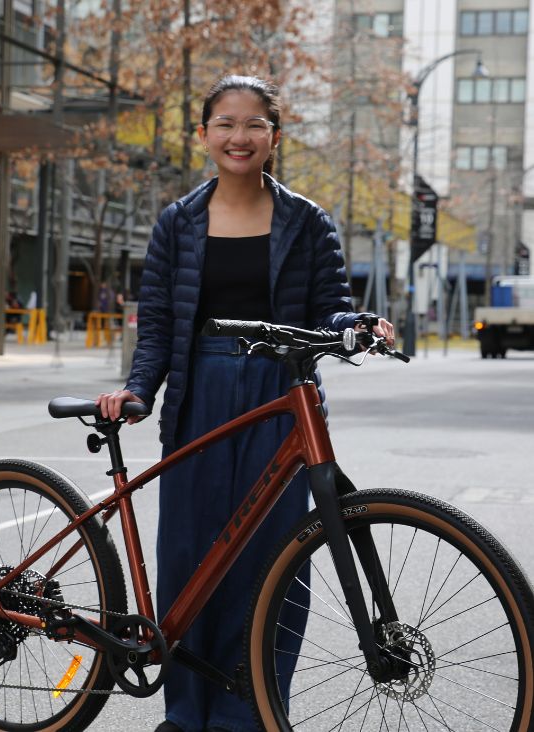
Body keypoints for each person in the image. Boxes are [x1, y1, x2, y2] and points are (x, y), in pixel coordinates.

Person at [96, 75, 394, 732]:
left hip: (279, 395)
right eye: (225, 123)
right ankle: (185, 715)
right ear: (203, 135)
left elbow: (329, 306)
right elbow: (162, 326)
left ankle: (250, 712)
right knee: (189, 560)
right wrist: (139, 390)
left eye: (254, 124)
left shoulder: (307, 221)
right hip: (200, 394)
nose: (240, 136)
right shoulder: (178, 222)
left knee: (271, 562)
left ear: (274, 137)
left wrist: (361, 323)